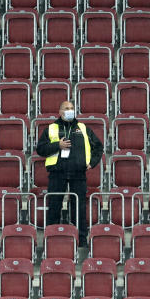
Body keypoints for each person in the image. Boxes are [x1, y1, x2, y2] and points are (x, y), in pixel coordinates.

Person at [35, 100, 104, 245]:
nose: (70, 110)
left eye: (72, 108)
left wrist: (92, 162)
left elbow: (98, 147)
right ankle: (50, 240)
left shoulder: (83, 128)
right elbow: (40, 149)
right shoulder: (51, 128)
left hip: (78, 173)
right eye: (66, 108)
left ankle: (81, 242)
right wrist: (57, 145)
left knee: (79, 209)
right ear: (60, 111)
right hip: (57, 172)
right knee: (54, 206)